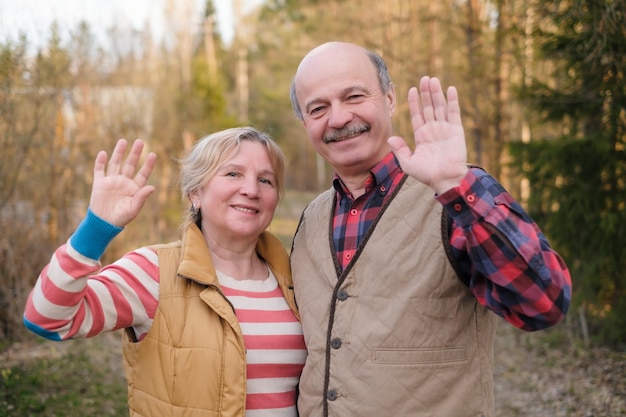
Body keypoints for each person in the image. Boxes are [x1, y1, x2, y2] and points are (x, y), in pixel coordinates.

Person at [288, 41, 572, 417]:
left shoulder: (454, 194)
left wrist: (456, 185)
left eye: (354, 96)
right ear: (305, 122)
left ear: (389, 99)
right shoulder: (310, 219)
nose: (338, 118)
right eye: (318, 108)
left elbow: (543, 303)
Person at [23, 127, 307, 417]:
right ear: (195, 192)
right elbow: (46, 318)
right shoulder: (154, 271)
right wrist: (95, 228)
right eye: (233, 174)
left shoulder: (298, 279)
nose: (251, 190)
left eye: (265, 180)